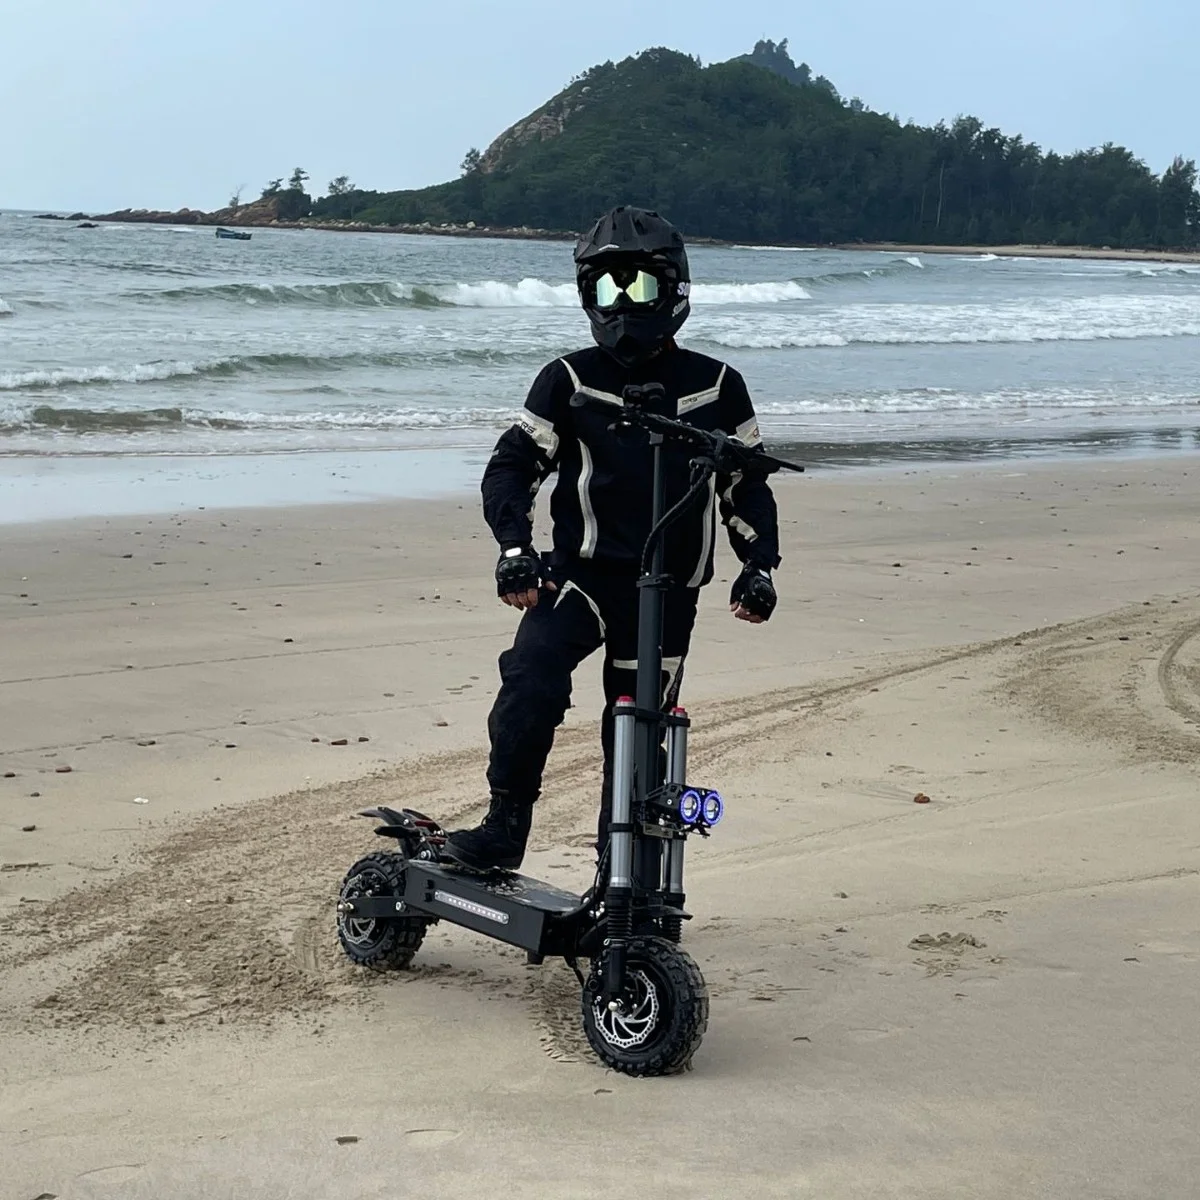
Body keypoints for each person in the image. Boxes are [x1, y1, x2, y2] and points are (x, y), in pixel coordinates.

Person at [443, 205, 781, 872]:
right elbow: (511, 468)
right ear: (586, 297)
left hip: (669, 593)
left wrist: (759, 566)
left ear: (674, 288)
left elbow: (746, 487)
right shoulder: (567, 380)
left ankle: (619, 869)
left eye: (639, 285)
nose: (622, 303)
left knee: (638, 731)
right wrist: (515, 551)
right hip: (579, 579)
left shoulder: (719, 386)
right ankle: (504, 827)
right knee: (530, 679)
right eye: (606, 287)